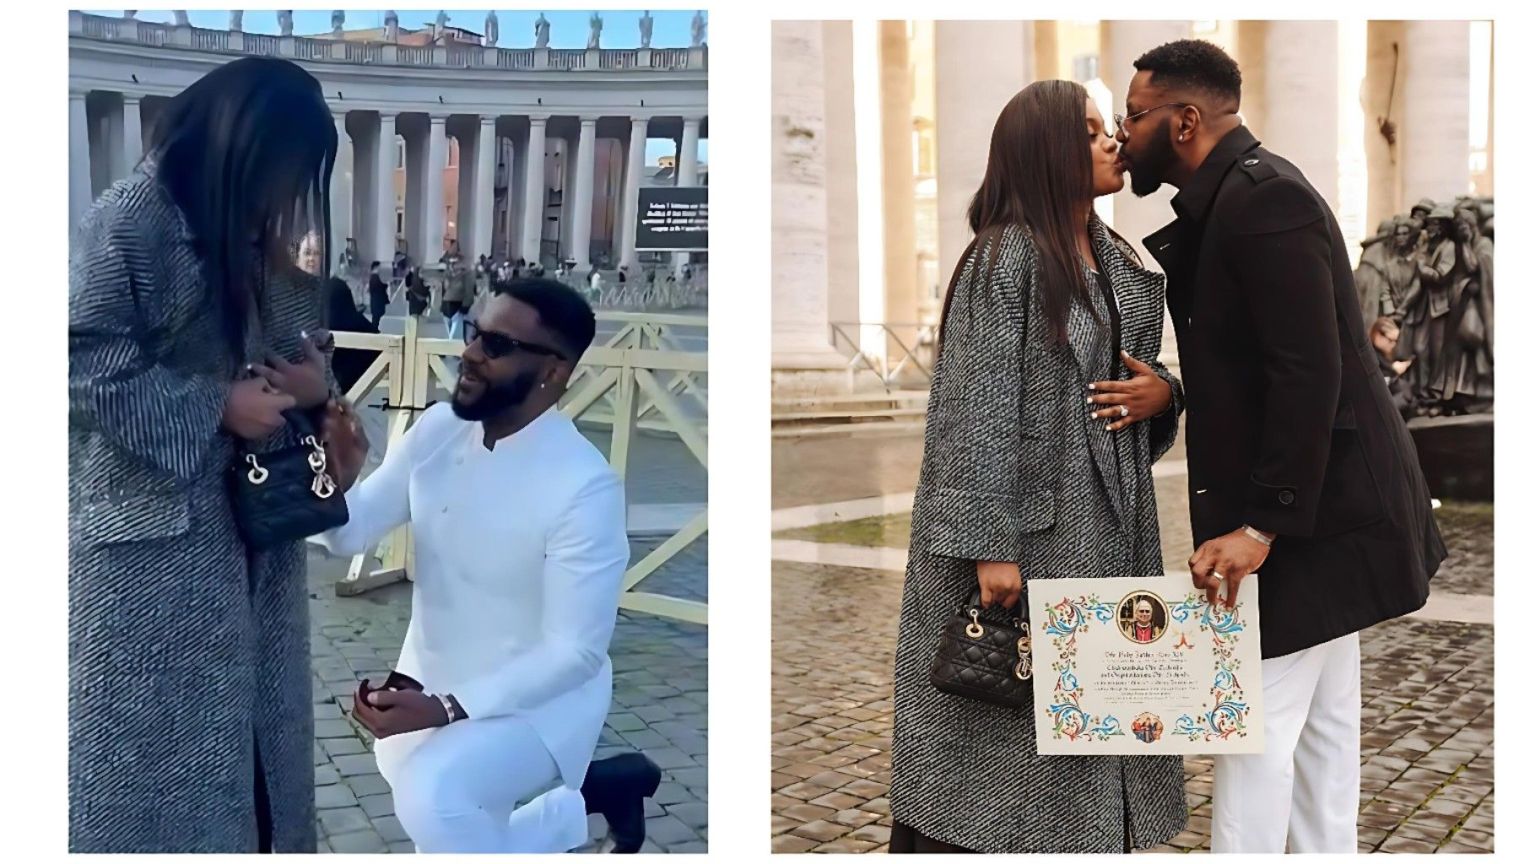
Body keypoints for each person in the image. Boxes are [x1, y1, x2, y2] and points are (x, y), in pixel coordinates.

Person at [1119, 39, 1446, 853]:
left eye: (1134, 115)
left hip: (1306, 524)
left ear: (1185, 120)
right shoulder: (1241, 196)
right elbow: (1260, 368)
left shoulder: (1263, 201)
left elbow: (1310, 374)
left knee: (1252, 732)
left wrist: (1260, 526)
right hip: (1325, 516)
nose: (1125, 134)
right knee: (1324, 735)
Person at [889, 80, 1188, 854]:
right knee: (1000, 749)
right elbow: (974, 406)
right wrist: (991, 546)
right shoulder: (1006, 256)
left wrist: (1165, 396)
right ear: (1050, 154)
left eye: (1105, 129)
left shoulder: (1114, 256)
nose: (1111, 142)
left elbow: (1127, 388)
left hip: (1106, 534)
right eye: (1091, 133)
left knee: (1090, 724)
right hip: (1026, 540)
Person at [69, 56, 339, 853]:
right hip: (150, 546)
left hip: (255, 526)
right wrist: (215, 405)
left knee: (259, 738)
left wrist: (312, 382)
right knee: (150, 754)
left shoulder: (247, 228)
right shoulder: (131, 218)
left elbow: (286, 341)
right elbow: (75, 361)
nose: (289, 189)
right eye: (283, 168)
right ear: (242, 146)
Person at [315, 278, 651, 853]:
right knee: (435, 806)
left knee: (435, 795)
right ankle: (582, 808)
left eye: (495, 346)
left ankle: (583, 798)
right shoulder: (440, 431)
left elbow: (575, 652)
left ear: (553, 371)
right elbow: (349, 534)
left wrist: (447, 708)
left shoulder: (584, 486)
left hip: (541, 705)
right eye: (474, 333)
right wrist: (333, 480)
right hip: (431, 676)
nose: (469, 352)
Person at [367, 260, 390, 327]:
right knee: (376, 320)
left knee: (376, 319)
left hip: (375, 302)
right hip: (377, 302)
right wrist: (385, 286)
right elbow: (379, 289)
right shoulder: (375, 277)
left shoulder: (373, 277)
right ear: (376, 267)